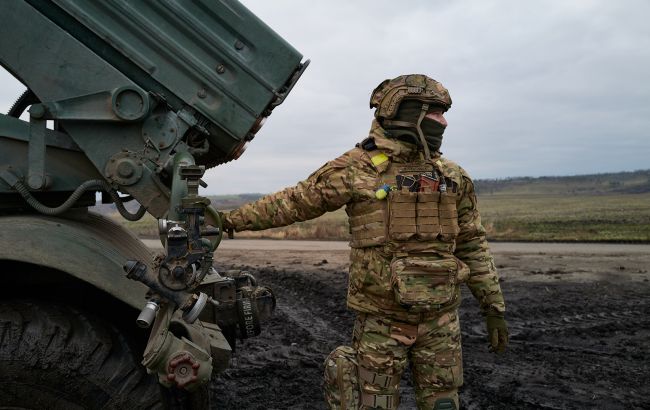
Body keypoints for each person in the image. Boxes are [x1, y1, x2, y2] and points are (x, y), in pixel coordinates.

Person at [222, 74, 508, 410]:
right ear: (407, 112)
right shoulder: (357, 168)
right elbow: (295, 202)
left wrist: (494, 309)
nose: (444, 123)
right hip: (381, 322)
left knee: (444, 404)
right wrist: (229, 220)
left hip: (441, 321)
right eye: (436, 115)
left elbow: (472, 243)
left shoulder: (452, 176)